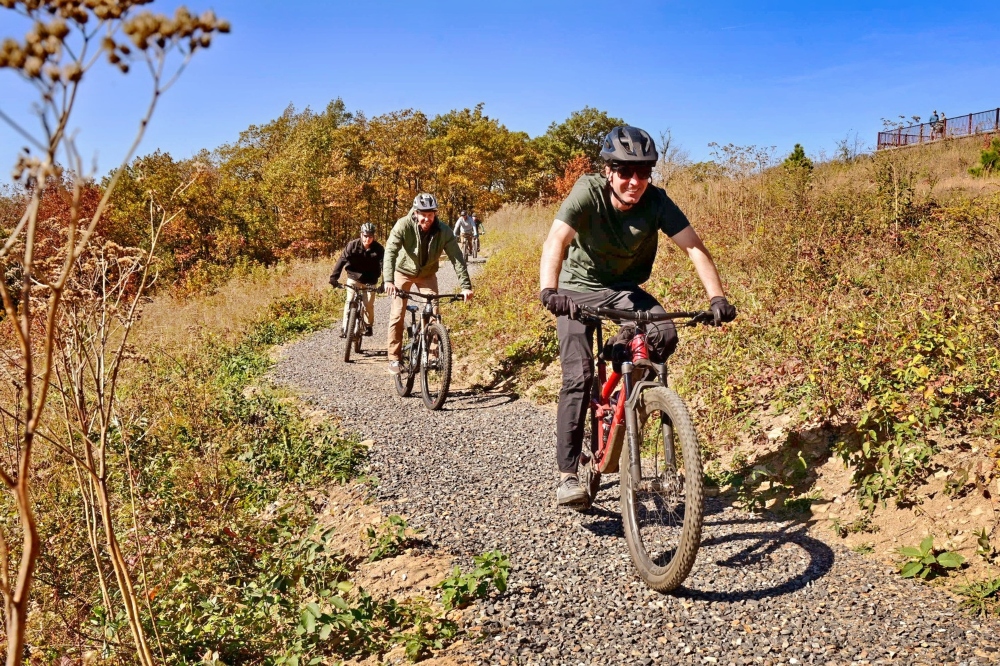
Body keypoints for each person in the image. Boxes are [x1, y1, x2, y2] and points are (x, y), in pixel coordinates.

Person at [538, 125, 737, 509]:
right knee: (577, 375)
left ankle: (621, 359)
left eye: (643, 172)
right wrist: (550, 291)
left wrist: (717, 298)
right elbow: (556, 240)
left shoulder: (657, 202)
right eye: (626, 172)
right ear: (608, 171)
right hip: (576, 289)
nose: (635, 181)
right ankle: (567, 474)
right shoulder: (588, 191)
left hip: (626, 290)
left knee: (664, 335)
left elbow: (694, 248)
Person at [384, 193, 474, 374]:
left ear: (435, 213)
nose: (427, 219)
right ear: (416, 213)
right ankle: (394, 358)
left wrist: (465, 286)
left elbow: (457, 259)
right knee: (397, 313)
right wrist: (389, 280)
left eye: (431, 214)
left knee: (434, 313)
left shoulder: (444, 231)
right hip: (404, 272)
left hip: (427, 274)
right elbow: (390, 252)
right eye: (423, 214)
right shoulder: (404, 225)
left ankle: (432, 356)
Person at [330, 222, 384, 338]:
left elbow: (384, 266)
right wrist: (334, 277)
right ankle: (345, 328)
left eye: (370, 236)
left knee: (368, 304)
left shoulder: (379, 249)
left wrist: (385, 283)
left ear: (373, 236)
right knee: (349, 301)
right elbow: (342, 260)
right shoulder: (352, 245)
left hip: (370, 280)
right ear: (361, 235)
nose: (367, 239)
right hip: (354, 277)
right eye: (365, 236)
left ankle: (368, 326)